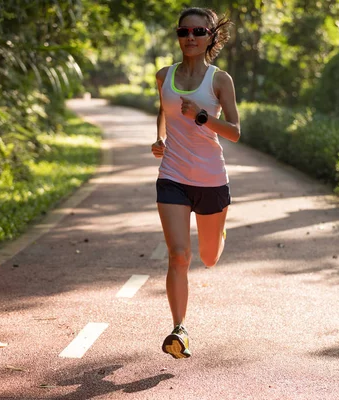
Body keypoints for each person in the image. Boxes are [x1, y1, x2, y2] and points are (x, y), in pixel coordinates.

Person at [151, 7, 240, 359]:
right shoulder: (164, 75)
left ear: (210, 38)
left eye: (198, 32)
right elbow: (163, 109)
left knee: (209, 257)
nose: (190, 37)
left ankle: (218, 234)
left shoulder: (220, 80)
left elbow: (234, 132)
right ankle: (179, 329)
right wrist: (159, 138)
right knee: (179, 255)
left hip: (211, 179)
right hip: (172, 176)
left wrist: (201, 116)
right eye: (184, 31)